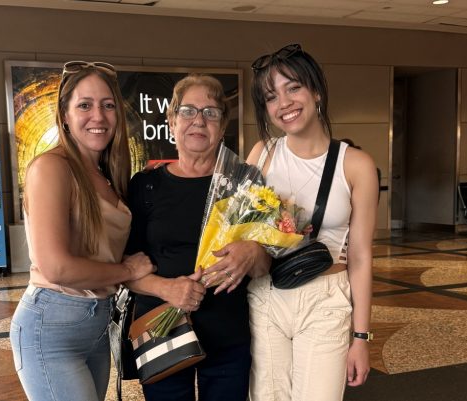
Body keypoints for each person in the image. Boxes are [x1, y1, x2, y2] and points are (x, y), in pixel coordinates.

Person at [9, 61, 154, 401]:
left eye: (107, 105)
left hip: (96, 326)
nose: (98, 117)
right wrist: (127, 271)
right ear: (64, 115)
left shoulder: (107, 175)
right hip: (51, 327)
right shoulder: (52, 167)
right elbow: (56, 267)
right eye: (85, 105)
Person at [244, 44, 378, 401]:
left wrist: (361, 337)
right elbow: (241, 230)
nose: (284, 103)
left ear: (315, 90)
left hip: (326, 298)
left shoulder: (356, 165)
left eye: (293, 88)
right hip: (267, 295)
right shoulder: (263, 154)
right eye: (271, 97)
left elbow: (362, 257)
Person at [125, 73, 270, 401]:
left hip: (227, 332)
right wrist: (168, 289)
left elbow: (264, 267)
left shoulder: (243, 185)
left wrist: (253, 251)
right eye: (188, 111)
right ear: (172, 120)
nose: (199, 121)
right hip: (161, 326)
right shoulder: (146, 186)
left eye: (211, 112)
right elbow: (124, 268)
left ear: (222, 124)